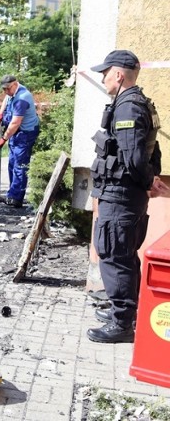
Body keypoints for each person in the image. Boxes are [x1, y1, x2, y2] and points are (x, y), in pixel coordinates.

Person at [86, 49, 165, 343]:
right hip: (125, 194)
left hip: (121, 196)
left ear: (119, 75)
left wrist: (148, 182)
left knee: (115, 255)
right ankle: (126, 311)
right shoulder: (136, 103)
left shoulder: (129, 107)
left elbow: (132, 158)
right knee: (124, 254)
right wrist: (150, 179)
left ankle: (121, 324)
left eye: (106, 73)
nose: (103, 78)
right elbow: (150, 150)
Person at [0, 75, 40, 207]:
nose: (6, 92)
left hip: (25, 133)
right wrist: (1, 112)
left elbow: (15, 123)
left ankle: (16, 199)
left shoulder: (22, 98)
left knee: (20, 165)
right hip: (17, 133)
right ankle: (12, 194)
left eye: (7, 89)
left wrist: (4, 138)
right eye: (4, 89)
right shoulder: (13, 91)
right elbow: (7, 98)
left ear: (15, 84)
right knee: (12, 163)